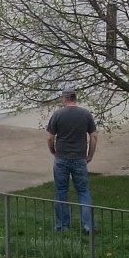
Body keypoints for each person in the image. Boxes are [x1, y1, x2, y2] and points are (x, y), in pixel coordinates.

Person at [44, 89, 98, 233]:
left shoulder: (57, 115)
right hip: (80, 158)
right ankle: (88, 226)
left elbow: (49, 138)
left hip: (61, 158)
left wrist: (53, 151)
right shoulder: (85, 114)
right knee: (83, 191)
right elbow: (93, 136)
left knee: (61, 191)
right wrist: (90, 155)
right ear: (75, 98)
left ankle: (62, 226)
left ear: (64, 99)